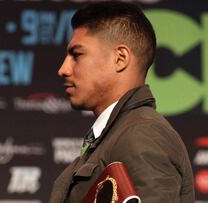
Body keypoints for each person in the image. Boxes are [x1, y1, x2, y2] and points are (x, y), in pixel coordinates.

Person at [50, 2, 194, 203]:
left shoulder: (142, 133)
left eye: (77, 55)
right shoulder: (120, 133)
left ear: (120, 58)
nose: (64, 69)